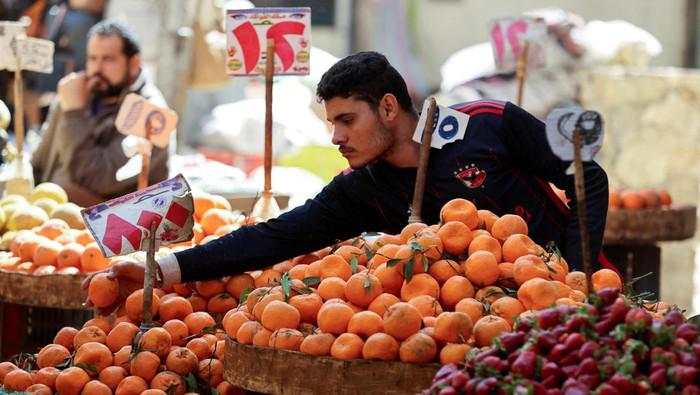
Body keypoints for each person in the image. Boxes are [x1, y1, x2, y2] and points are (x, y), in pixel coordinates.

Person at [84, 51, 608, 312]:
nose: (335, 136)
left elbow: (587, 174)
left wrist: (579, 273)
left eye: (345, 120)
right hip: (466, 325)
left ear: (387, 107)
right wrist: (159, 266)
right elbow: (275, 237)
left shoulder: (490, 122)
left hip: (573, 303)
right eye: (329, 122)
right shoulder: (363, 186)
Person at [31, 19, 171, 207]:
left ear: (134, 63)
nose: (97, 69)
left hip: (114, 227)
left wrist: (74, 114)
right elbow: (41, 162)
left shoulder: (151, 112)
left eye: (108, 59)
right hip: (51, 214)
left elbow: (98, 179)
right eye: (93, 58)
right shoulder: (78, 94)